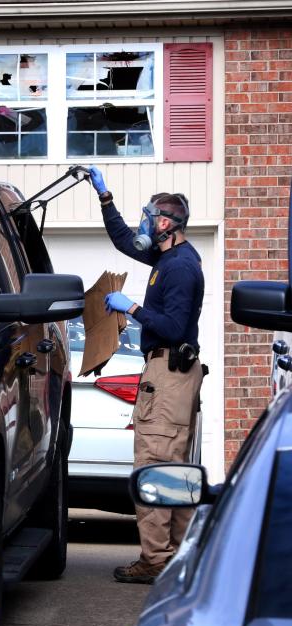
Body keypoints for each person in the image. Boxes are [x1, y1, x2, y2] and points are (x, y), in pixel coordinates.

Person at [88, 166, 205, 585]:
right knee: (172, 471)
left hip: (170, 373)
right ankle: (178, 560)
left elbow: (173, 327)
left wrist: (131, 307)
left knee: (154, 469)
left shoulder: (180, 268)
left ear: (165, 224)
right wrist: (104, 196)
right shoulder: (168, 256)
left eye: (148, 216)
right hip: (172, 375)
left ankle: (157, 560)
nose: (142, 223)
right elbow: (123, 239)